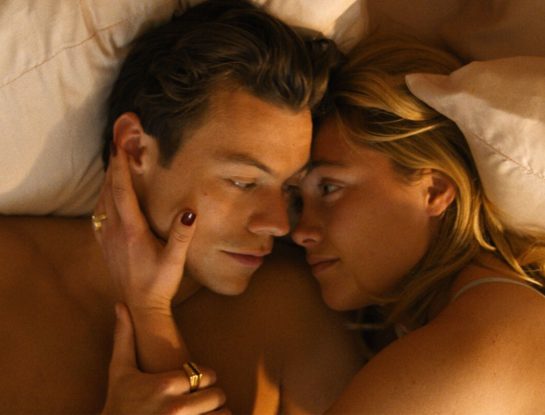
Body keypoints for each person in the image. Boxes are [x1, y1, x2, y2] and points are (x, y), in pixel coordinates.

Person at [0, 1, 363, 413]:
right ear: (135, 148)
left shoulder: (292, 311)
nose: (279, 224)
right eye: (243, 182)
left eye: (290, 190)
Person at [292, 36, 545, 414]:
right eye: (297, 201)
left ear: (434, 191)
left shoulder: (481, 341)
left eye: (329, 188)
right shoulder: (461, 317)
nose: (299, 231)